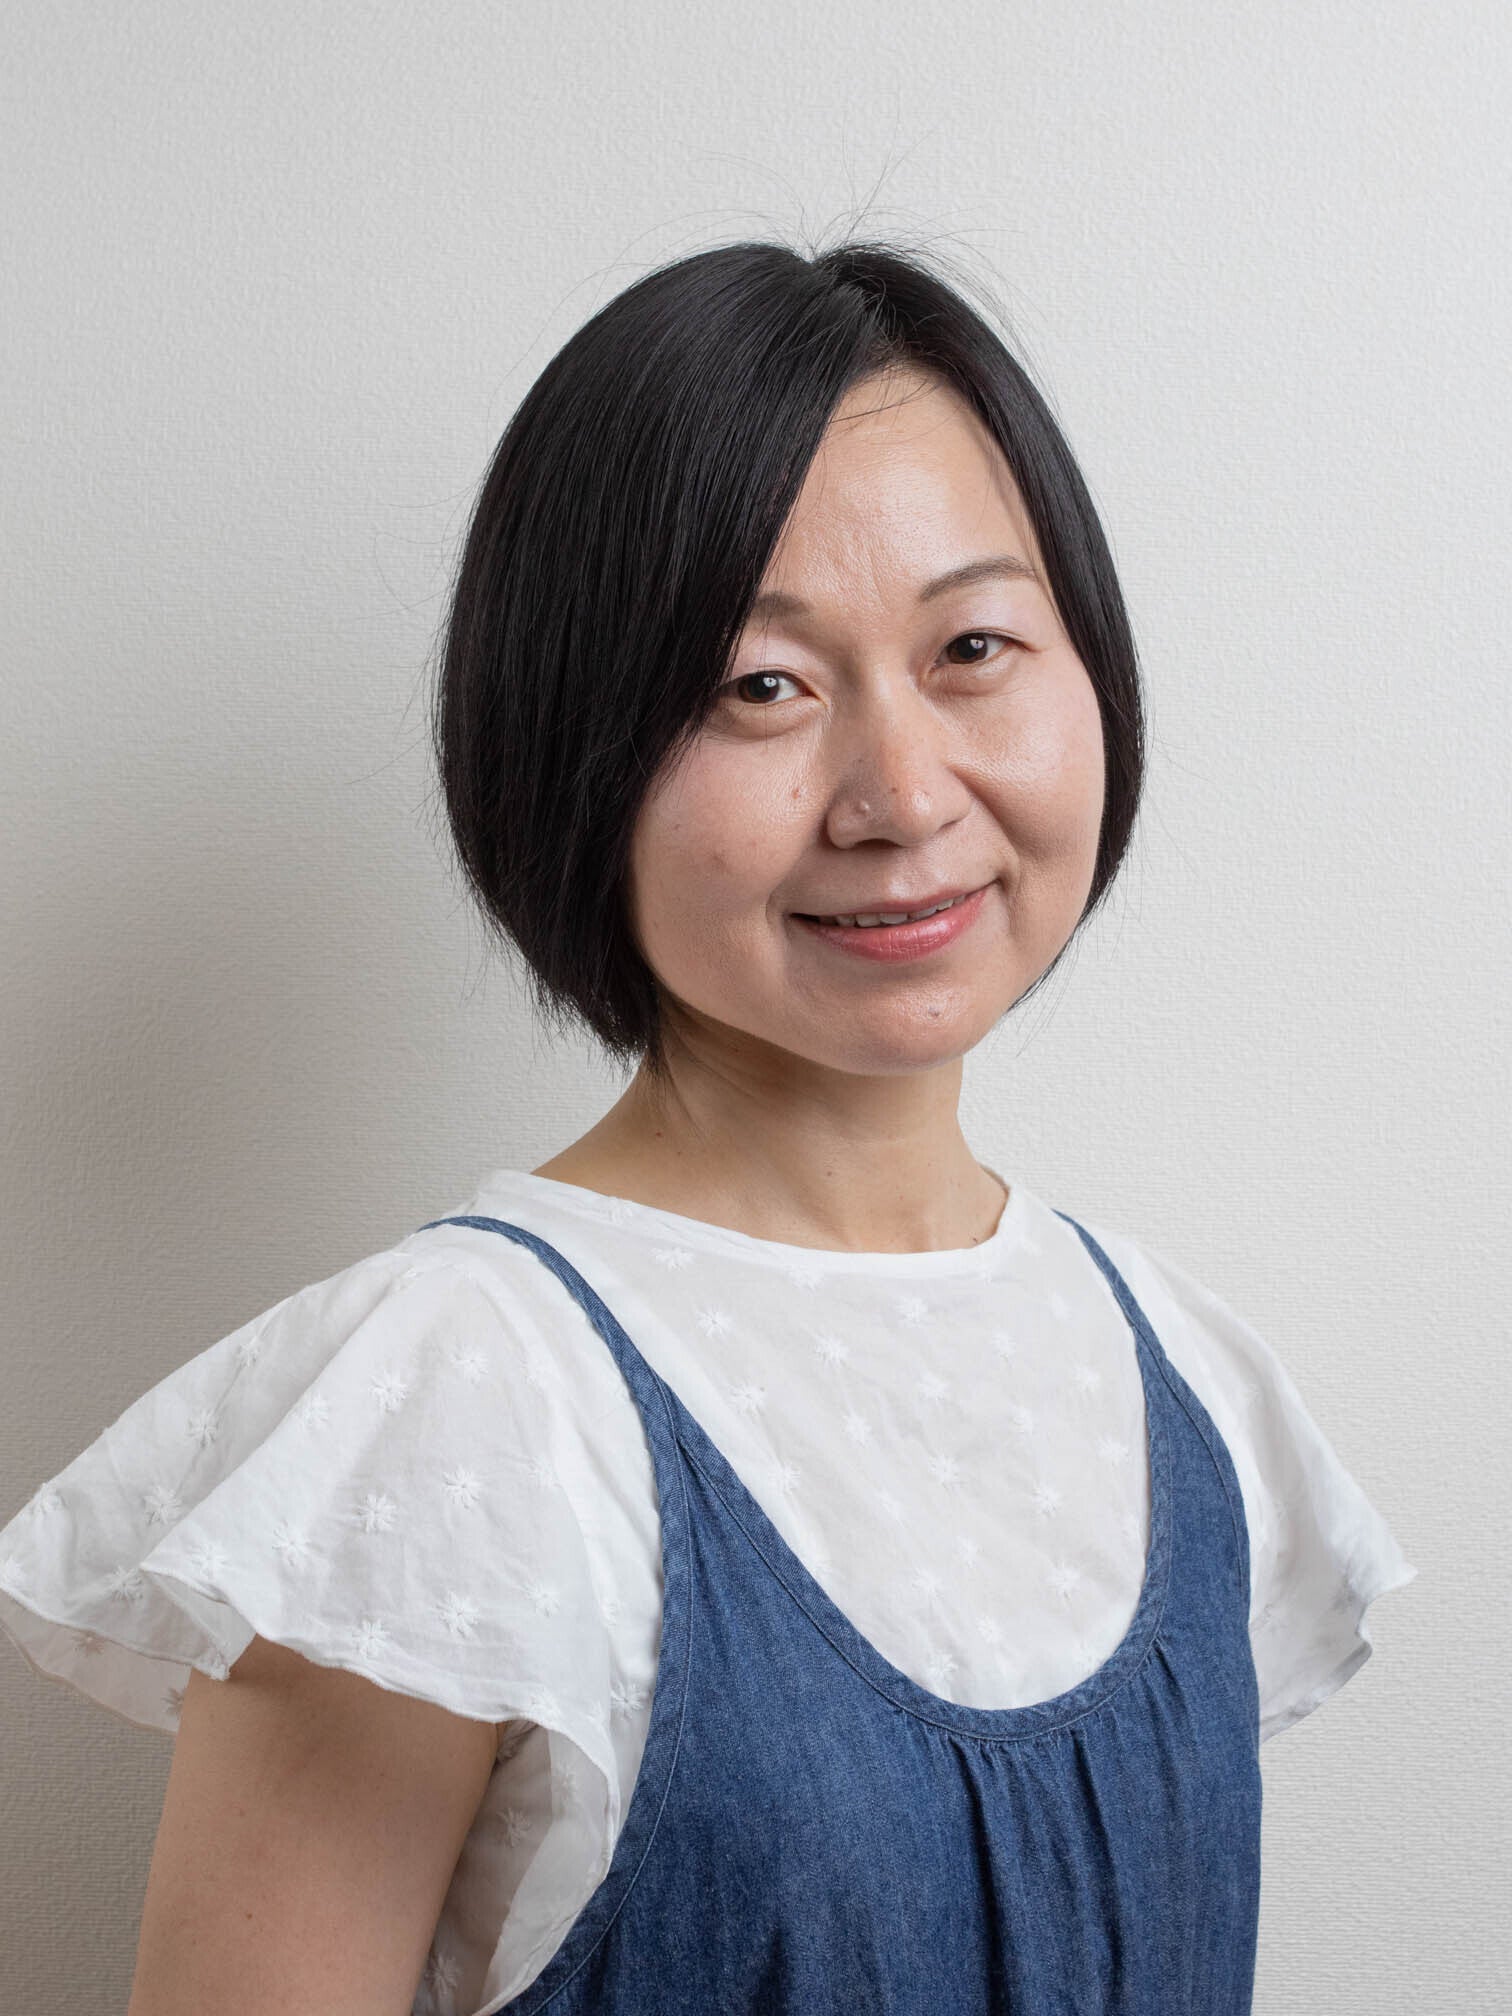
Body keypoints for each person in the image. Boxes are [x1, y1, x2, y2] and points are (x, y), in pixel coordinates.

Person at [0, 238, 1415, 2016]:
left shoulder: (1191, 1379)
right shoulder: (449, 1411)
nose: (901, 794)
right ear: (573, 749)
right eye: (762, 685)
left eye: (975, 647)